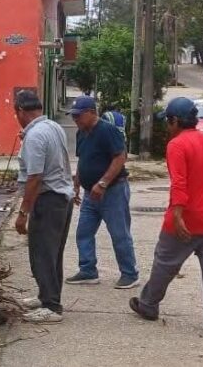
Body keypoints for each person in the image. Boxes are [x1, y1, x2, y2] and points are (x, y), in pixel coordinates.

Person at [129, 97, 203, 336]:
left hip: (184, 220)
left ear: (175, 121)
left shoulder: (177, 145)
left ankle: (148, 305)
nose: (167, 126)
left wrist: (177, 214)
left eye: (168, 121)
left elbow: (179, 183)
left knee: (164, 264)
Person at [13, 90, 75, 324]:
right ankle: (46, 295)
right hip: (61, 198)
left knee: (43, 253)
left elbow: (35, 177)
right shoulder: (52, 126)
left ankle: (51, 305)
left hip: (48, 199)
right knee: (52, 252)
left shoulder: (36, 135)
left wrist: (23, 213)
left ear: (20, 111)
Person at [66, 96, 140, 289]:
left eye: (78, 116)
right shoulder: (81, 133)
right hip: (91, 193)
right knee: (83, 231)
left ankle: (130, 274)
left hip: (113, 191)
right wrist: (76, 185)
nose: (75, 120)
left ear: (91, 113)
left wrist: (104, 182)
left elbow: (120, 157)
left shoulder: (108, 131)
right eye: (73, 117)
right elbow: (83, 161)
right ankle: (88, 270)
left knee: (119, 234)